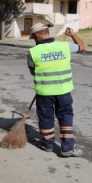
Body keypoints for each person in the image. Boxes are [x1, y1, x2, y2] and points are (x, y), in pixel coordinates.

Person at [27, 23, 86, 157]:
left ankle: (47, 145)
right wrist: (73, 35)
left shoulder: (32, 52)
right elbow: (82, 47)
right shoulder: (64, 46)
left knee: (46, 118)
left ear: (37, 36)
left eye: (34, 38)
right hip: (63, 91)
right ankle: (67, 148)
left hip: (44, 93)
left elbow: (32, 72)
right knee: (65, 118)